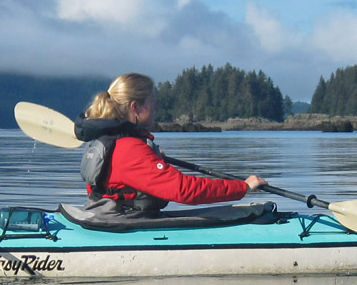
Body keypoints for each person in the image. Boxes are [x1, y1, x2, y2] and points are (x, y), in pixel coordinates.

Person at [75, 73, 267, 220]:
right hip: (124, 223)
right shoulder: (129, 149)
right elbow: (184, 190)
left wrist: (151, 160)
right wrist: (243, 187)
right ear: (135, 107)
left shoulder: (107, 140)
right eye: (152, 102)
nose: (156, 107)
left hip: (113, 217)